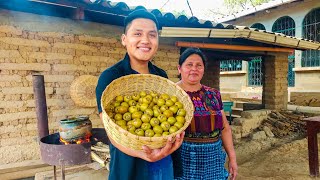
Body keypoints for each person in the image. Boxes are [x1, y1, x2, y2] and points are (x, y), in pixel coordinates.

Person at [95, 9, 184, 180]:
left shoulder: (161, 76)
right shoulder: (111, 77)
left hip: (164, 163)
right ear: (124, 39)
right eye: (137, 34)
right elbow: (112, 133)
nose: (145, 40)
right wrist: (143, 154)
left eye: (152, 35)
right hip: (130, 167)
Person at [173, 47, 238, 180]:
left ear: (203, 69)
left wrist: (232, 158)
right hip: (183, 159)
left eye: (199, 65)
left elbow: (225, 128)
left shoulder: (213, 94)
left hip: (213, 159)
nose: (194, 69)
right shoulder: (171, 94)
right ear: (179, 68)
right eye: (189, 65)